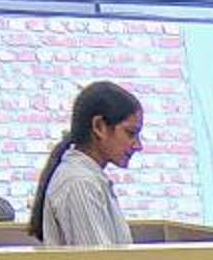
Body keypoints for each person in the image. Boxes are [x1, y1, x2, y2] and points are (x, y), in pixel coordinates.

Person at [29, 80, 144, 248]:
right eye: (130, 133)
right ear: (99, 126)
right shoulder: (80, 183)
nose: (138, 146)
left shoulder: (87, 178)